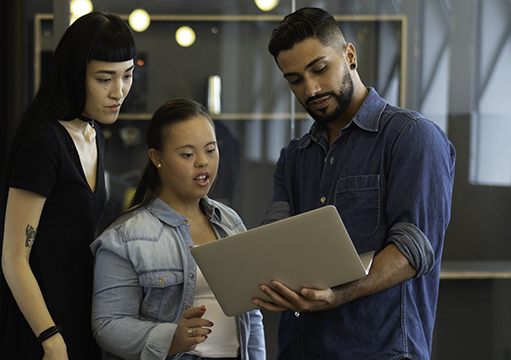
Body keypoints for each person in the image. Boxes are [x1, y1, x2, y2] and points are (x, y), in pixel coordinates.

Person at [252, 7, 456, 360]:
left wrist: (337, 294)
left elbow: (414, 250)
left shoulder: (412, 137)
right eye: (295, 79)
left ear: (349, 55)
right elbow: (277, 236)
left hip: (381, 351)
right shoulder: (295, 156)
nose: (310, 89)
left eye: (319, 68)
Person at [0, 12, 137, 359]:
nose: (119, 92)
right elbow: (13, 258)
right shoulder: (44, 141)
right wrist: (50, 336)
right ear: (74, 75)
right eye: (104, 79)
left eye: (127, 76)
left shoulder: (93, 133)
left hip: (82, 317)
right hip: (43, 326)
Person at [90, 98, 266, 360]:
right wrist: (171, 338)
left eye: (210, 150)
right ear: (156, 158)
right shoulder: (124, 238)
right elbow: (107, 325)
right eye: (187, 154)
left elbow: (251, 313)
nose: (202, 162)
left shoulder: (230, 221)